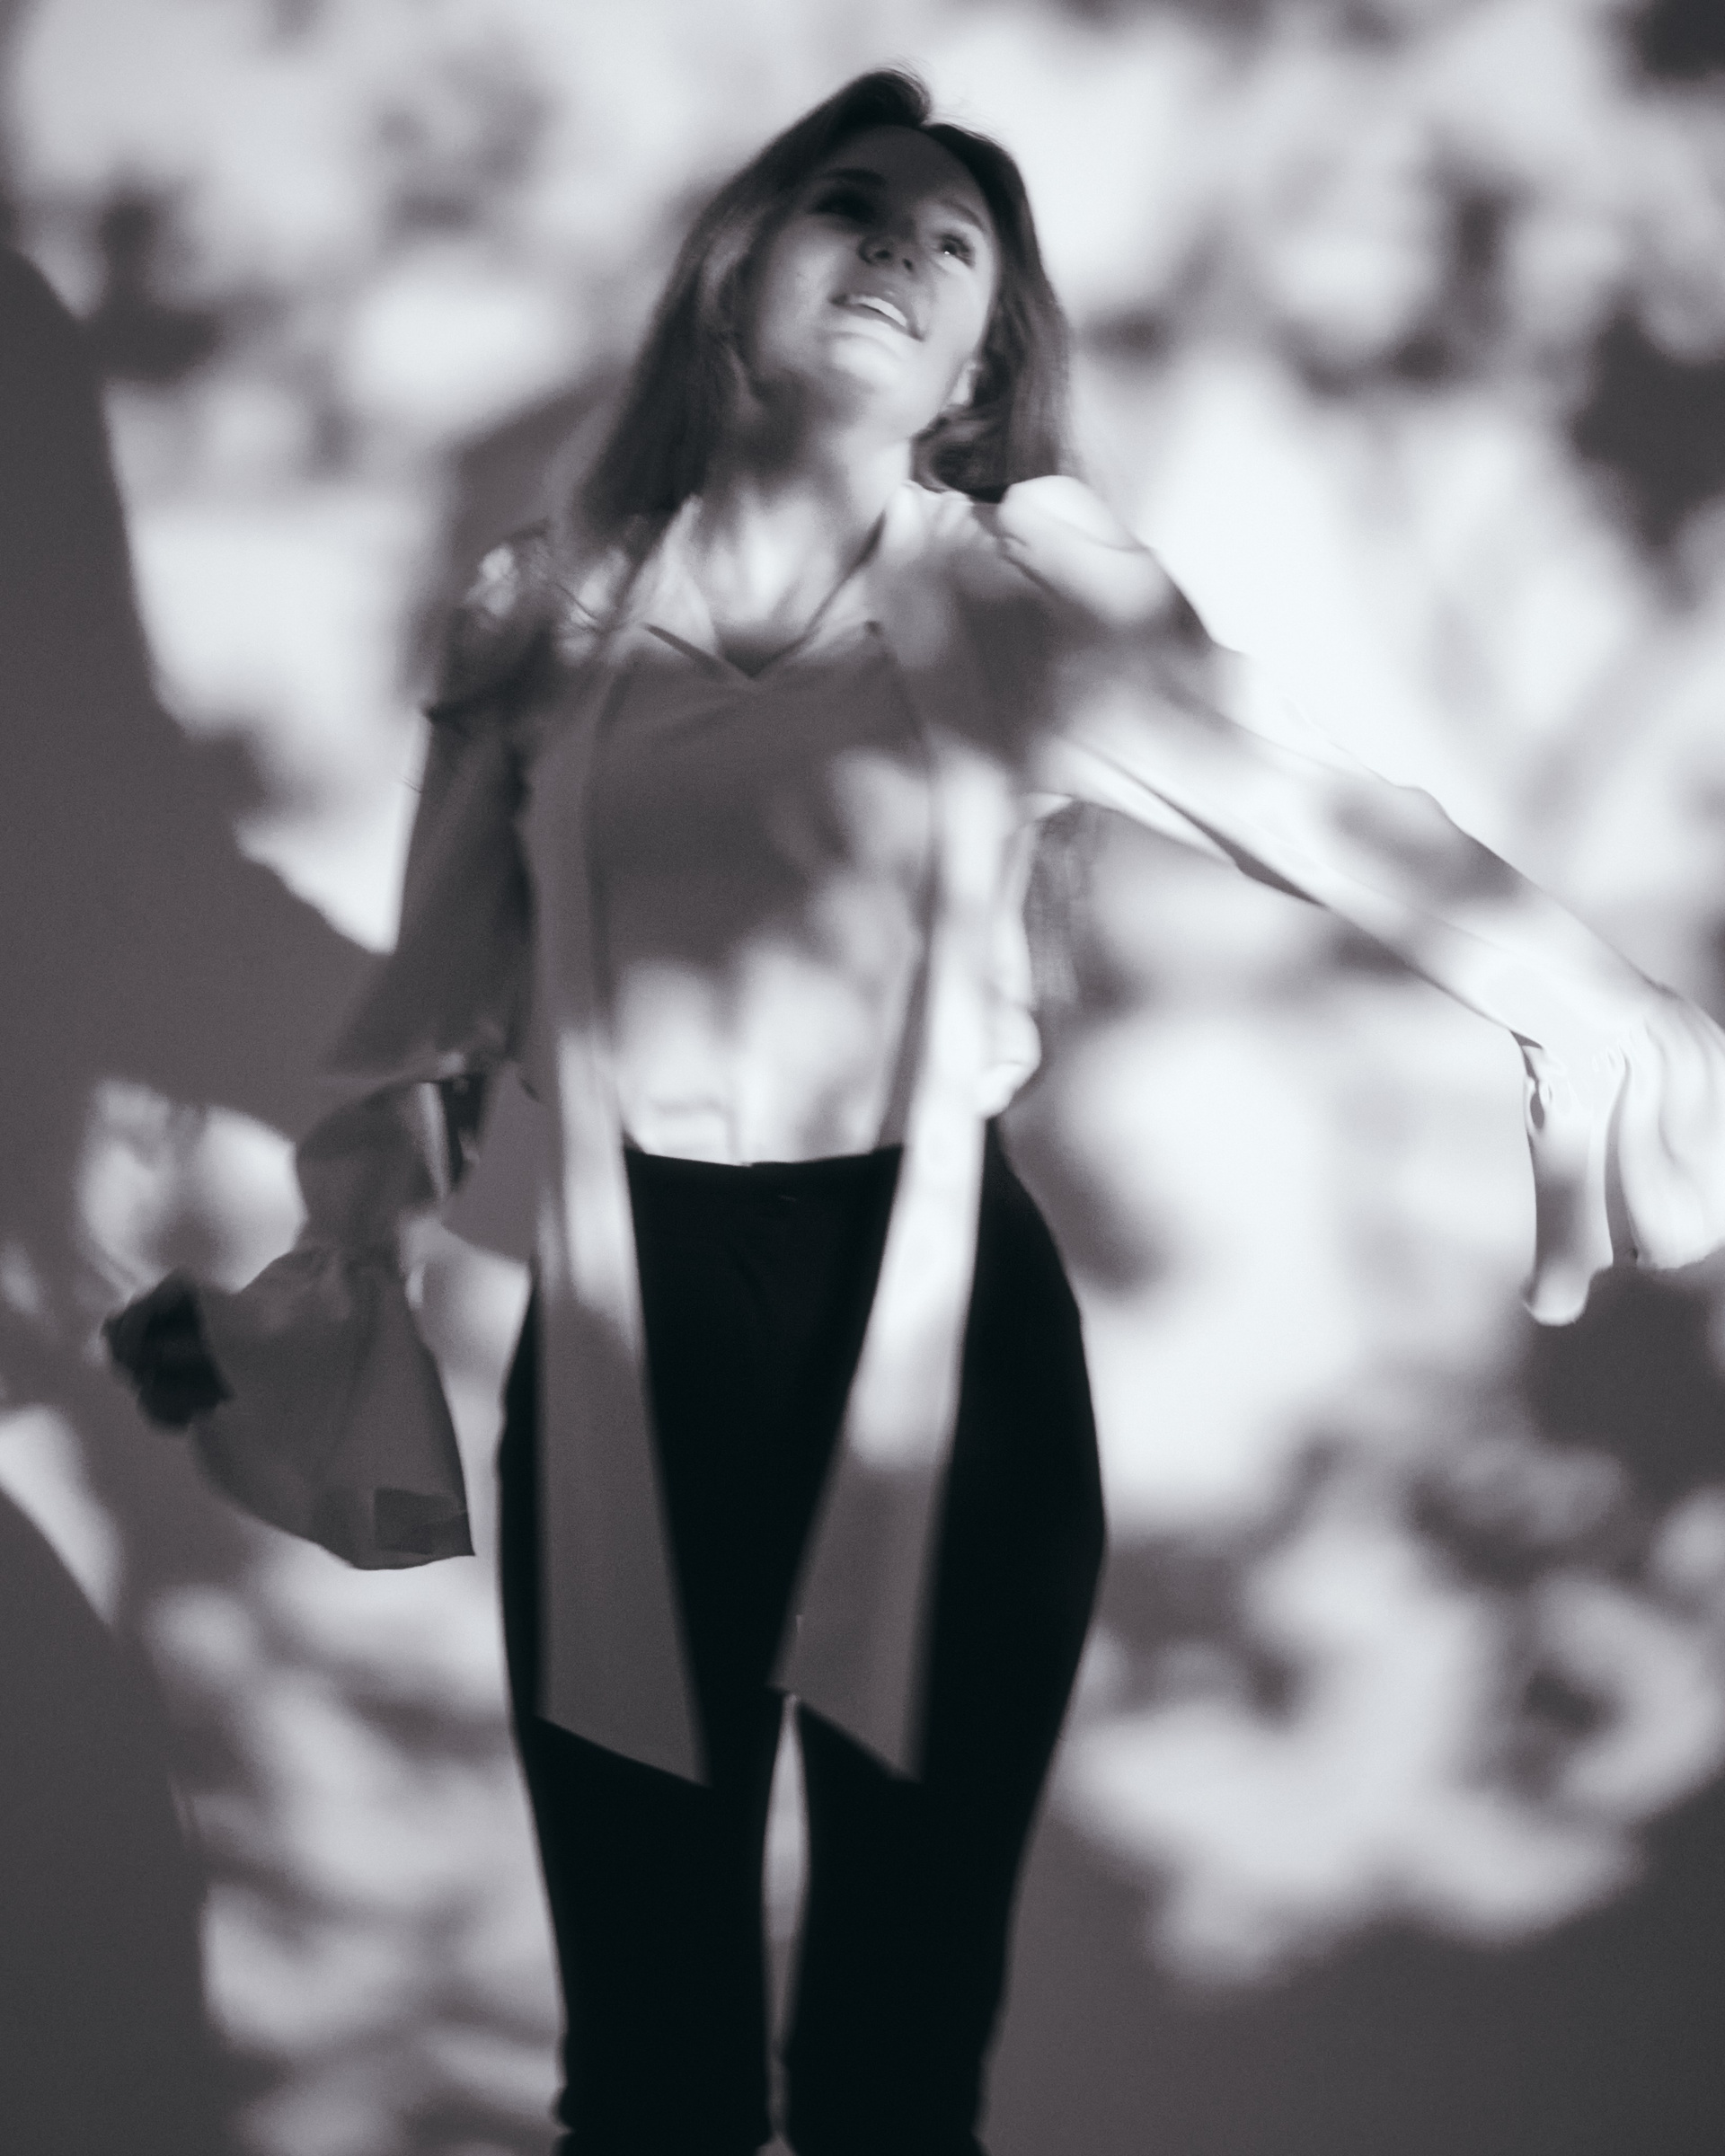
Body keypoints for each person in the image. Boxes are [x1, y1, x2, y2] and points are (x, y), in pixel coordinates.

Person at [106, 67, 1725, 2156]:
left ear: (971, 375)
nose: (895, 245)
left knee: (893, 2058)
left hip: (952, 1338)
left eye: (949, 243)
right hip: (624, 1349)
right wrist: (302, 1300)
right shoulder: (540, 610)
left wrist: (1606, 1017)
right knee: (653, 2076)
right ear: (735, 280)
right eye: (848, 205)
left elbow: (1327, 814)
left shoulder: (1014, 600)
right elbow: (437, 1014)